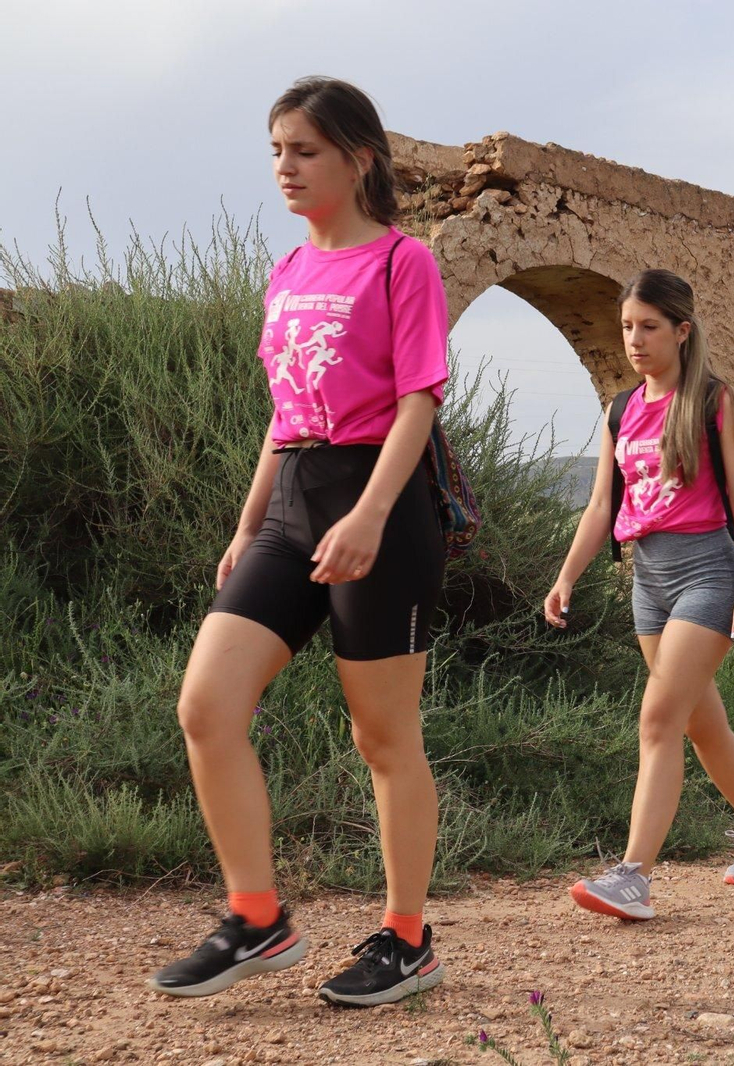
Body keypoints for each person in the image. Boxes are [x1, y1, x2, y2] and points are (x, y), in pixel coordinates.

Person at [150, 78, 449, 1005]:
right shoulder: (286, 272)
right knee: (206, 706)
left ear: (359, 158)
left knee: (382, 733)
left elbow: (418, 401)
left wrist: (367, 514)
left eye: (304, 150)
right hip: (292, 501)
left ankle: (407, 938)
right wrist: (249, 526)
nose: (284, 167)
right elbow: (285, 417)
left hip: (384, 505)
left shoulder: (404, 263)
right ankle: (257, 917)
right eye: (276, 149)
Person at [544, 268, 734, 920]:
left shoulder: (715, 401)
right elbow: (601, 505)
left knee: (658, 720)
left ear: (681, 330)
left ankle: (632, 877)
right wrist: (567, 575)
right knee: (703, 726)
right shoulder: (621, 410)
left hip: (707, 573)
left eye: (648, 326)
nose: (635, 339)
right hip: (645, 581)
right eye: (627, 326)